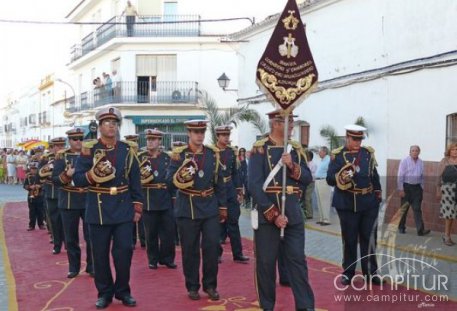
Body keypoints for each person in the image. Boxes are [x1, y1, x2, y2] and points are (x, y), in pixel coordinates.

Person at [73, 107, 143, 309]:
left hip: (123, 208)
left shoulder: (127, 149)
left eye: (114, 122)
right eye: (106, 122)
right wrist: (91, 176)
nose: (111, 125)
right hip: (98, 208)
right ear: (100, 126)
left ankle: (123, 291)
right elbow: (78, 180)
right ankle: (104, 293)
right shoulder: (89, 150)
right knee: (100, 255)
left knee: (124, 253)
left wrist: (137, 208)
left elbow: (135, 180)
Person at [248, 109, 315, 311]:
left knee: (298, 263)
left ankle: (305, 307)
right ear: (276, 124)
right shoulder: (259, 150)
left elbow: (307, 179)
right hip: (268, 216)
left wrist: (292, 166)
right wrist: (274, 215)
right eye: (289, 123)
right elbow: (254, 185)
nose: (293, 126)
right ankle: (267, 306)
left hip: (293, 215)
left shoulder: (295, 150)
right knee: (266, 265)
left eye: (293, 123)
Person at [166, 119, 227, 301]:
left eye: (202, 132)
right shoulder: (179, 155)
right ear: (189, 134)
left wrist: (222, 207)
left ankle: (210, 285)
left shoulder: (212, 154)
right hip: (187, 207)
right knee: (190, 250)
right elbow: (169, 182)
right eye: (196, 132)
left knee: (211, 248)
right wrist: (180, 177)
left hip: (209, 207)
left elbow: (220, 183)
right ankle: (192, 286)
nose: (199, 135)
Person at [326, 125, 383, 286]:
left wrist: (377, 194)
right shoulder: (337, 156)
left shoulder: (367, 153)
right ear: (347, 138)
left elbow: (374, 175)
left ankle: (371, 273)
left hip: (369, 202)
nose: (358, 142)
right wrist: (341, 177)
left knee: (370, 238)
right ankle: (349, 272)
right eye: (355, 139)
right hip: (347, 202)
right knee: (350, 239)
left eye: (360, 139)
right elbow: (330, 179)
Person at [52, 128, 93, 278]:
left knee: (91, 236)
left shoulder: (90, 154)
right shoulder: (62, 156)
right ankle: (74, 267)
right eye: (75, 139)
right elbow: (55, 180)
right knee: (71, 237)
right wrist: (66, 175)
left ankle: (91, 266)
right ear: (69, 140)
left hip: (88, 199)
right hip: (69, 200)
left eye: (80, 138)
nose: (78, 141)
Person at [138, 129, 176, 269]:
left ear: (159, 141)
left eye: (153, 139)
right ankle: (152, 259)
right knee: (151, 233)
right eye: (148, 139)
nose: (150, 142)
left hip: (165, 198)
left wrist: (173, 198)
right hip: (148, 199)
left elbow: (172, 180)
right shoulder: (141, 158)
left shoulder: (167, 158)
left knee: (168, 233)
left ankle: (167, 258)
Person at [214, 125, 249, 264]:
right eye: (223, 135)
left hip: (229, 188)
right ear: (217, 136)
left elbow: (235, 173)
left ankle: (238, 253)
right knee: (216, 223)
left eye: (227, 135)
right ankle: (216, 253)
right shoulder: (211, 152)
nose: (226, 137)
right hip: (217, 189)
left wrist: (239, 191)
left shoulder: (231, 152)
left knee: (233, 221)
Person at [39, 138, 66, 255]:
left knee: (66, 221)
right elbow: (39, 175)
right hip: (51, 193)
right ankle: (57, 244)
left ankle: (68, 243)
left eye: (62, 145)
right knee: (54, 220)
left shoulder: (67, 157)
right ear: (53, 147)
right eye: (58, 146)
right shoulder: (46, 159)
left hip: (64, 193)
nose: (60, 148)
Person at [397, 145, 430, 236]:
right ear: (410, 152)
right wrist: (400, 189)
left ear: (419, 152)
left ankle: (420, 230)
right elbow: (400, 175)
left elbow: (422, 176)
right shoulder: (404, 161)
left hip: (417, 189)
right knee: (404, 209)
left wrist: (421, 188)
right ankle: (401, 227)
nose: (414, 152)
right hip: (406, 187)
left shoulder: (421, 162)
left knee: (417, 209)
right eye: (413, 150)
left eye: (416, 150)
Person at [124, 134, 146, 249]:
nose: (134, 146)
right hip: (128, 191)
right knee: (131, 218)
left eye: (135, 143)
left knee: (141, 218)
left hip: (140, 189)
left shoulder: (142, 156)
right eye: (131, 143)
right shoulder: (126, 157)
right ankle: (132, 241)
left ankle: (143, 240)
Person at [436, 142, 457, 246]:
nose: (455, 152)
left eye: (456, 150)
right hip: (448, 190)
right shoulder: (444, 161)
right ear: (449, 151)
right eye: (453, 149)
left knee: (454, 215)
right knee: (449, 215)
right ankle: (446, 236)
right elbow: (439, 177)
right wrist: (438, 190)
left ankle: (447, 236)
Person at [23, 162, 45, 231]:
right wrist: (30, 187)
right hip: (31, 195)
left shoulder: (41, 176)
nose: (33, 170)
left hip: (40, 196)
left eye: (35, 169)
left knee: (40, 211)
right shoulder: (28, 177)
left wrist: (40, 186)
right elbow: (24, 186)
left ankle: (41, 224)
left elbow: (45, 185)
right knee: (31, 212)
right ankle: (31, 225)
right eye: (32, 169)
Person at [315, 146, 331, 225]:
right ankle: (321, 218)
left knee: (324, 201)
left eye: (320, 152)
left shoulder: (328, 160)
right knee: (319, 201)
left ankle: (326, 219)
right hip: (318, 181)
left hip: (324, 181)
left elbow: (330, 171)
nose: (319, 153)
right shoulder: (322, 160)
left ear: (324, 152)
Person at [303, 150, 317, 219]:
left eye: (306, 155)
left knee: (307, 198)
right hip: (306, 182)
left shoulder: (312, 164)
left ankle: (309, 214)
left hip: (310, 182)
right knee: (307, 198)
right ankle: (308, 213)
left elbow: (311, 174)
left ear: (309, 157)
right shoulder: (307, 163)